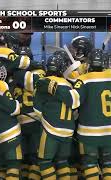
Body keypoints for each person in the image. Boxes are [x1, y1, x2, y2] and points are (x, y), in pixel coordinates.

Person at [73, 49, 111, 180]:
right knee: (109, 162)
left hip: (88, 133)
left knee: (89, 163)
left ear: (89, 63)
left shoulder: (83, 79)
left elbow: (74, 102)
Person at [33, 51, 79, 180]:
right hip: (69, 130)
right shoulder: (70, 85)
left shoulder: (43, 82)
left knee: (45, 162)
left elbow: (37, 109)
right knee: (63, 161)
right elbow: (75, 107)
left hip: (50, 129)